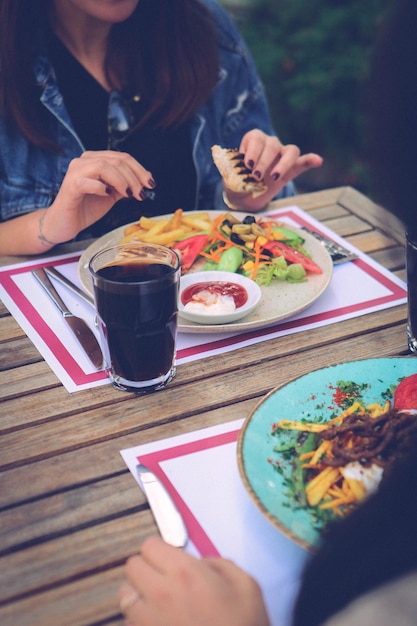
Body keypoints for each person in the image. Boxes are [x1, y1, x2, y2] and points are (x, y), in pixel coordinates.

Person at [118, 0, 417, 624]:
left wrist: (246, 197)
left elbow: (253, 193)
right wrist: (41, 226)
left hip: (239, 353)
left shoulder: (203, 29)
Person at [0, 0, 322, 256]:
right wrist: (49, 226)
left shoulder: (205, 27)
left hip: (211, 302)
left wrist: (243, 198)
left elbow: (243, 201)